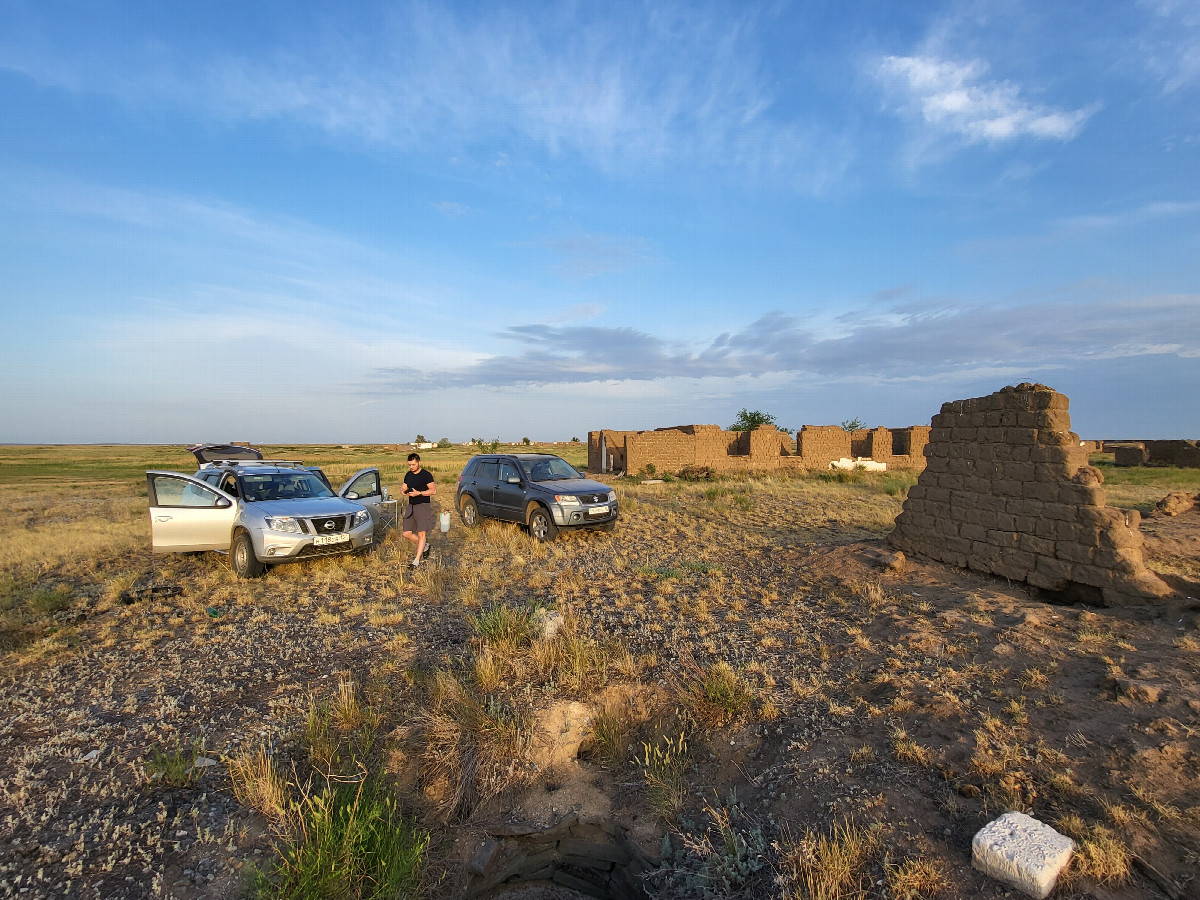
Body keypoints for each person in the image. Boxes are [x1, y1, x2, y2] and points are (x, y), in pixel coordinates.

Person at [400, 452, 436, 568]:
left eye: (413, 465)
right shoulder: (408, 475)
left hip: (422, 505)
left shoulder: (426, 475)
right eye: (409, 465)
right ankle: (425, 546)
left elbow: (433, 490)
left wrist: (419, 493)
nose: (411, 467)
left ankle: (416, 560)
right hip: (411, 506)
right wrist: (404, 491)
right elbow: (403, 487)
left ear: (419, 462)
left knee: (421, 533)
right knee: (406, 533)